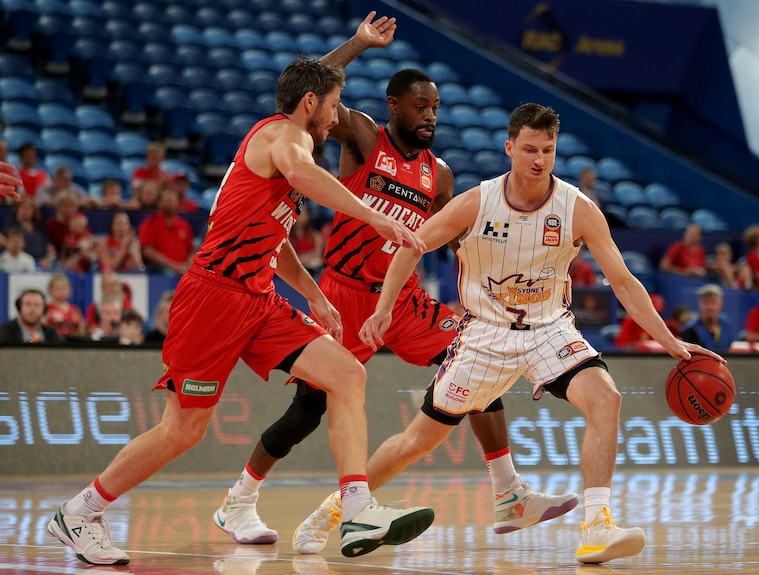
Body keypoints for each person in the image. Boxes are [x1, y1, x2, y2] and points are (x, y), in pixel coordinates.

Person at [47, 34, 433, 566]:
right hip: (212, 296)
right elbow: (303, 172)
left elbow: (276, 238)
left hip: (257, 297)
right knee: (182, 430)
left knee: (348, 375)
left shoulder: (293, 144)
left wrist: (315, 296)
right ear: (309, 104)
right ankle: (80, 511)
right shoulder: (283, 137)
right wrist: (376, 214)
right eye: (333, 105)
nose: (335, 118)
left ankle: (359, 506)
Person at [216, 19, 576, 554]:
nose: (430, 115)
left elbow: (451, 243)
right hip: (343, 294)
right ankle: (239, 499)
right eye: (419, 106)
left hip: (401, 301)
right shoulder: (363, 136)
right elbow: (310, 96)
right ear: (393, 106)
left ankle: (509, 493)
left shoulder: (442, 176)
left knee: (477, 358)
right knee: (307, 411)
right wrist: (360, 43)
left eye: (435, 107)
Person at [317, 103, 722, 565]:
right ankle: (336, 509)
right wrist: (385, 307)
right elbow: (411, 247)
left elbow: (624, 282)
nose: (539, 159)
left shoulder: (577, 208)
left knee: (606, 398)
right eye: (529, 149)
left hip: (549, 329)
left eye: (547, 150)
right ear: (509, 148)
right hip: (485, 336)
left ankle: (596, 528)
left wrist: (668, 340)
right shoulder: (476, 201)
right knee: (415, 443)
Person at [138, 187, 195, 275]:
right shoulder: (150, 223)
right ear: (160, 203)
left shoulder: (184, 225)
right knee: (167, 272)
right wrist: (174, 266)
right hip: (160, 268)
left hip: (182, 267)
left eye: (173, 201)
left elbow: (191, 250)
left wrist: (188, 264)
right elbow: (147, 251)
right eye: (168, 200)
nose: (171, 204)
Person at [3, 196, 55, 267]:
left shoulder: (40, 227)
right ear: (17, 209)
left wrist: (48, 259)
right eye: (23, 208)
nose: (25, 211)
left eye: (28, 208)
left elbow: (50, 248)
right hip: (18, 260)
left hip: (40, 262)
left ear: (34, 211)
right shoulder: (10, 225)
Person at [45, 272, 86, 339]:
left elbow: (82, 331)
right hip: (53, 344)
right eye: (57, 289)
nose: (61, 292)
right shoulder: (47, 309)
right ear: (50, 290)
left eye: (64, 288)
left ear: (69, 290)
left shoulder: (75, 310)